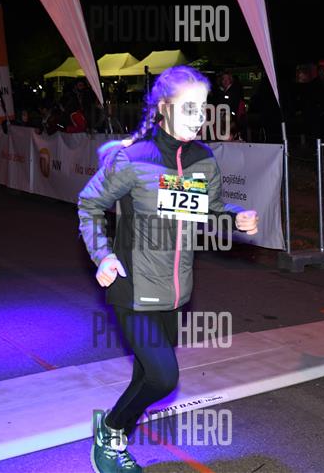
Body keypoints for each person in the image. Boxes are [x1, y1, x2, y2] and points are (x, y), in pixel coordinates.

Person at [77, 66, 259, 473]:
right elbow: (89, 205)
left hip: (176, 293)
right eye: (189, 108)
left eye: (203, 108)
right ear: (164, 108)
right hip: (133, 289)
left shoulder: (202, 159)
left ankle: (114, 437)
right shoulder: (133, 158)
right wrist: (102, 255)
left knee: (146, 375)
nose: (199, 117)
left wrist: (235, 217)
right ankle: (110, 431)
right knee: (163, 378)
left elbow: (209, 209)